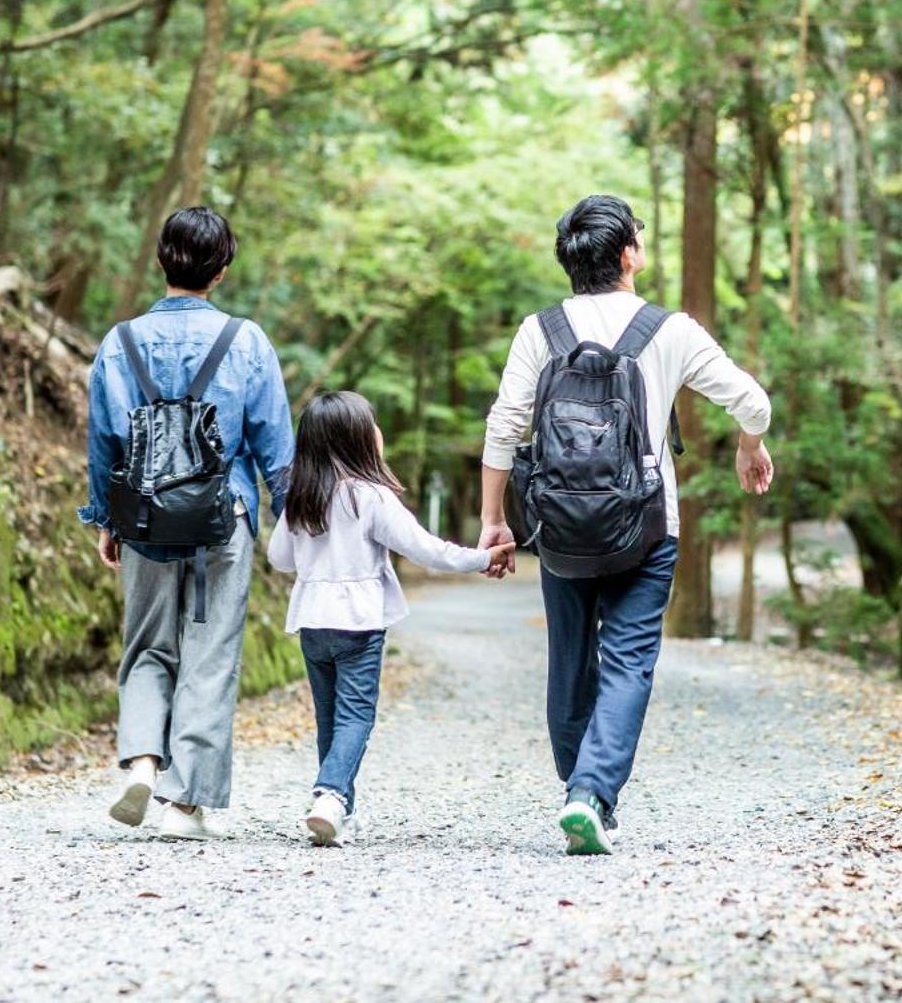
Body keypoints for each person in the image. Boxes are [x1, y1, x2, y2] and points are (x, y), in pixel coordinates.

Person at [480, 194, 773, 855]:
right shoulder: (667, 329)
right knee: (629, 662)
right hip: (646, 525)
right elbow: (752, 402)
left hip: (558, 526)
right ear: (628, 255)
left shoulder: (541, 328)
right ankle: (591, 792)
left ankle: (575, 787)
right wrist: (749, 445)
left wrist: (494, 519)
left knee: (570, 660)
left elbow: (504, 426)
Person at [82, 206, 294, 839]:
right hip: (220, 518)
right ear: (222, 270)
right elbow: (275, 447)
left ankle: (143, 762)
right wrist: (291, 523)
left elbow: (104, 442)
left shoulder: (119, 343)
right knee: (210, 652)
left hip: (144, 515)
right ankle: (184, 804)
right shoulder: (247, 342)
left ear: (161, 260)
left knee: (147, 644)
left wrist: (105, 518)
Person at [266, 391, 516, 846]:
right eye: (372, 423)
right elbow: (427, 550)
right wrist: (481, 559)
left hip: (312, 622)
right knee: (356, 716)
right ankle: (330, 795)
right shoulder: (371, 497)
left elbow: (279, 558)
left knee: (330, 718)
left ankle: (340, 809)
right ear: (358, 439)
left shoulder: (299, 496)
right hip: (359, 623)